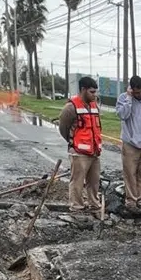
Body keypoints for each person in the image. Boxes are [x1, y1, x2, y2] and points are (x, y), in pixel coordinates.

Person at [58, 76, 102, 215]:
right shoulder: (71, 107)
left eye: (95, 92)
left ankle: (94, 205)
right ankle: (76, 207)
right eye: (92, 92)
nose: (94, 95)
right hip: (79, 152)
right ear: (83, 90)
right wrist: (73, 143)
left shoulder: (94, 106)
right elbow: (63, 128)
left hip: (94, 151)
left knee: (94, 181)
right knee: (77, 181)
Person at [115, 75, 141, 212]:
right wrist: (129, 99)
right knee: (130, 173)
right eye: (136, 92)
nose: (140, 95)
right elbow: (123, 115)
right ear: (131, 90)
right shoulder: (123, 98)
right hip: (130, 143)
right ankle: (131, 201)